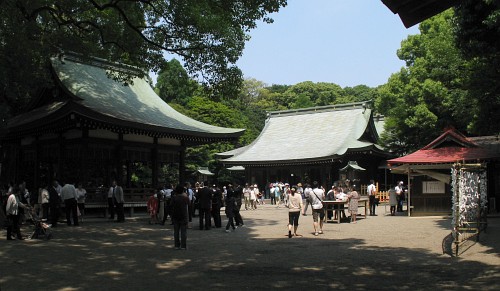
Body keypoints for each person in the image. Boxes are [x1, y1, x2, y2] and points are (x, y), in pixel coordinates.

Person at [170, 185, 189, 250]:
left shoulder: (174, 198)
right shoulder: (185, 198)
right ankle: (183, 246)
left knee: (176, 231)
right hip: (183, 215)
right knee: (183, 231)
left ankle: (176, 245)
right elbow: (189, 203)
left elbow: (171, 206)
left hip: (175, 215)